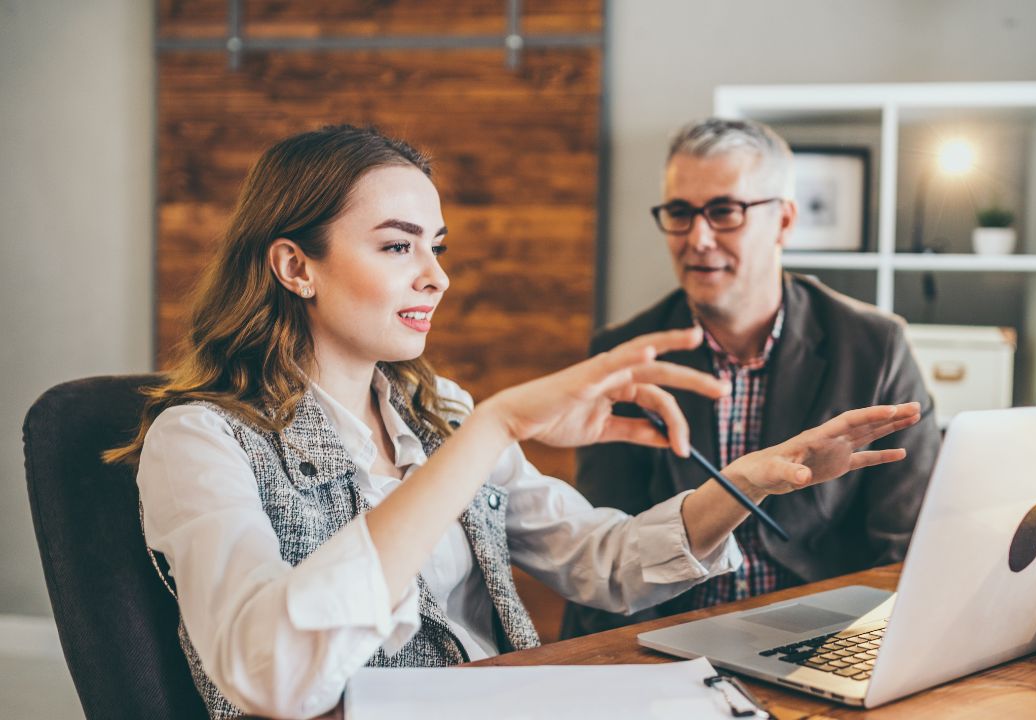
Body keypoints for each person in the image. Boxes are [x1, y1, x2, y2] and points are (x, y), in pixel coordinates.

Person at [104, 125, 921, 719]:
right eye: (397, 248)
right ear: (294, 265)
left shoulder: (438, 409)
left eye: (438, 247)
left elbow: (603, 561)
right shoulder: (200, 440)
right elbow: (272, 678)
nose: (437, 277)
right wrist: (492, 430)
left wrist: (745, 482)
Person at [561, 118, 941, 639]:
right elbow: (603, 548)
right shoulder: (623, 353)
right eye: (680, 212)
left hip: (823, 633)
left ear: (784, 221)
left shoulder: (876, 347)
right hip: (673, 637)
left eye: (724, 212)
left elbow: (905, 546)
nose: (698, 238)